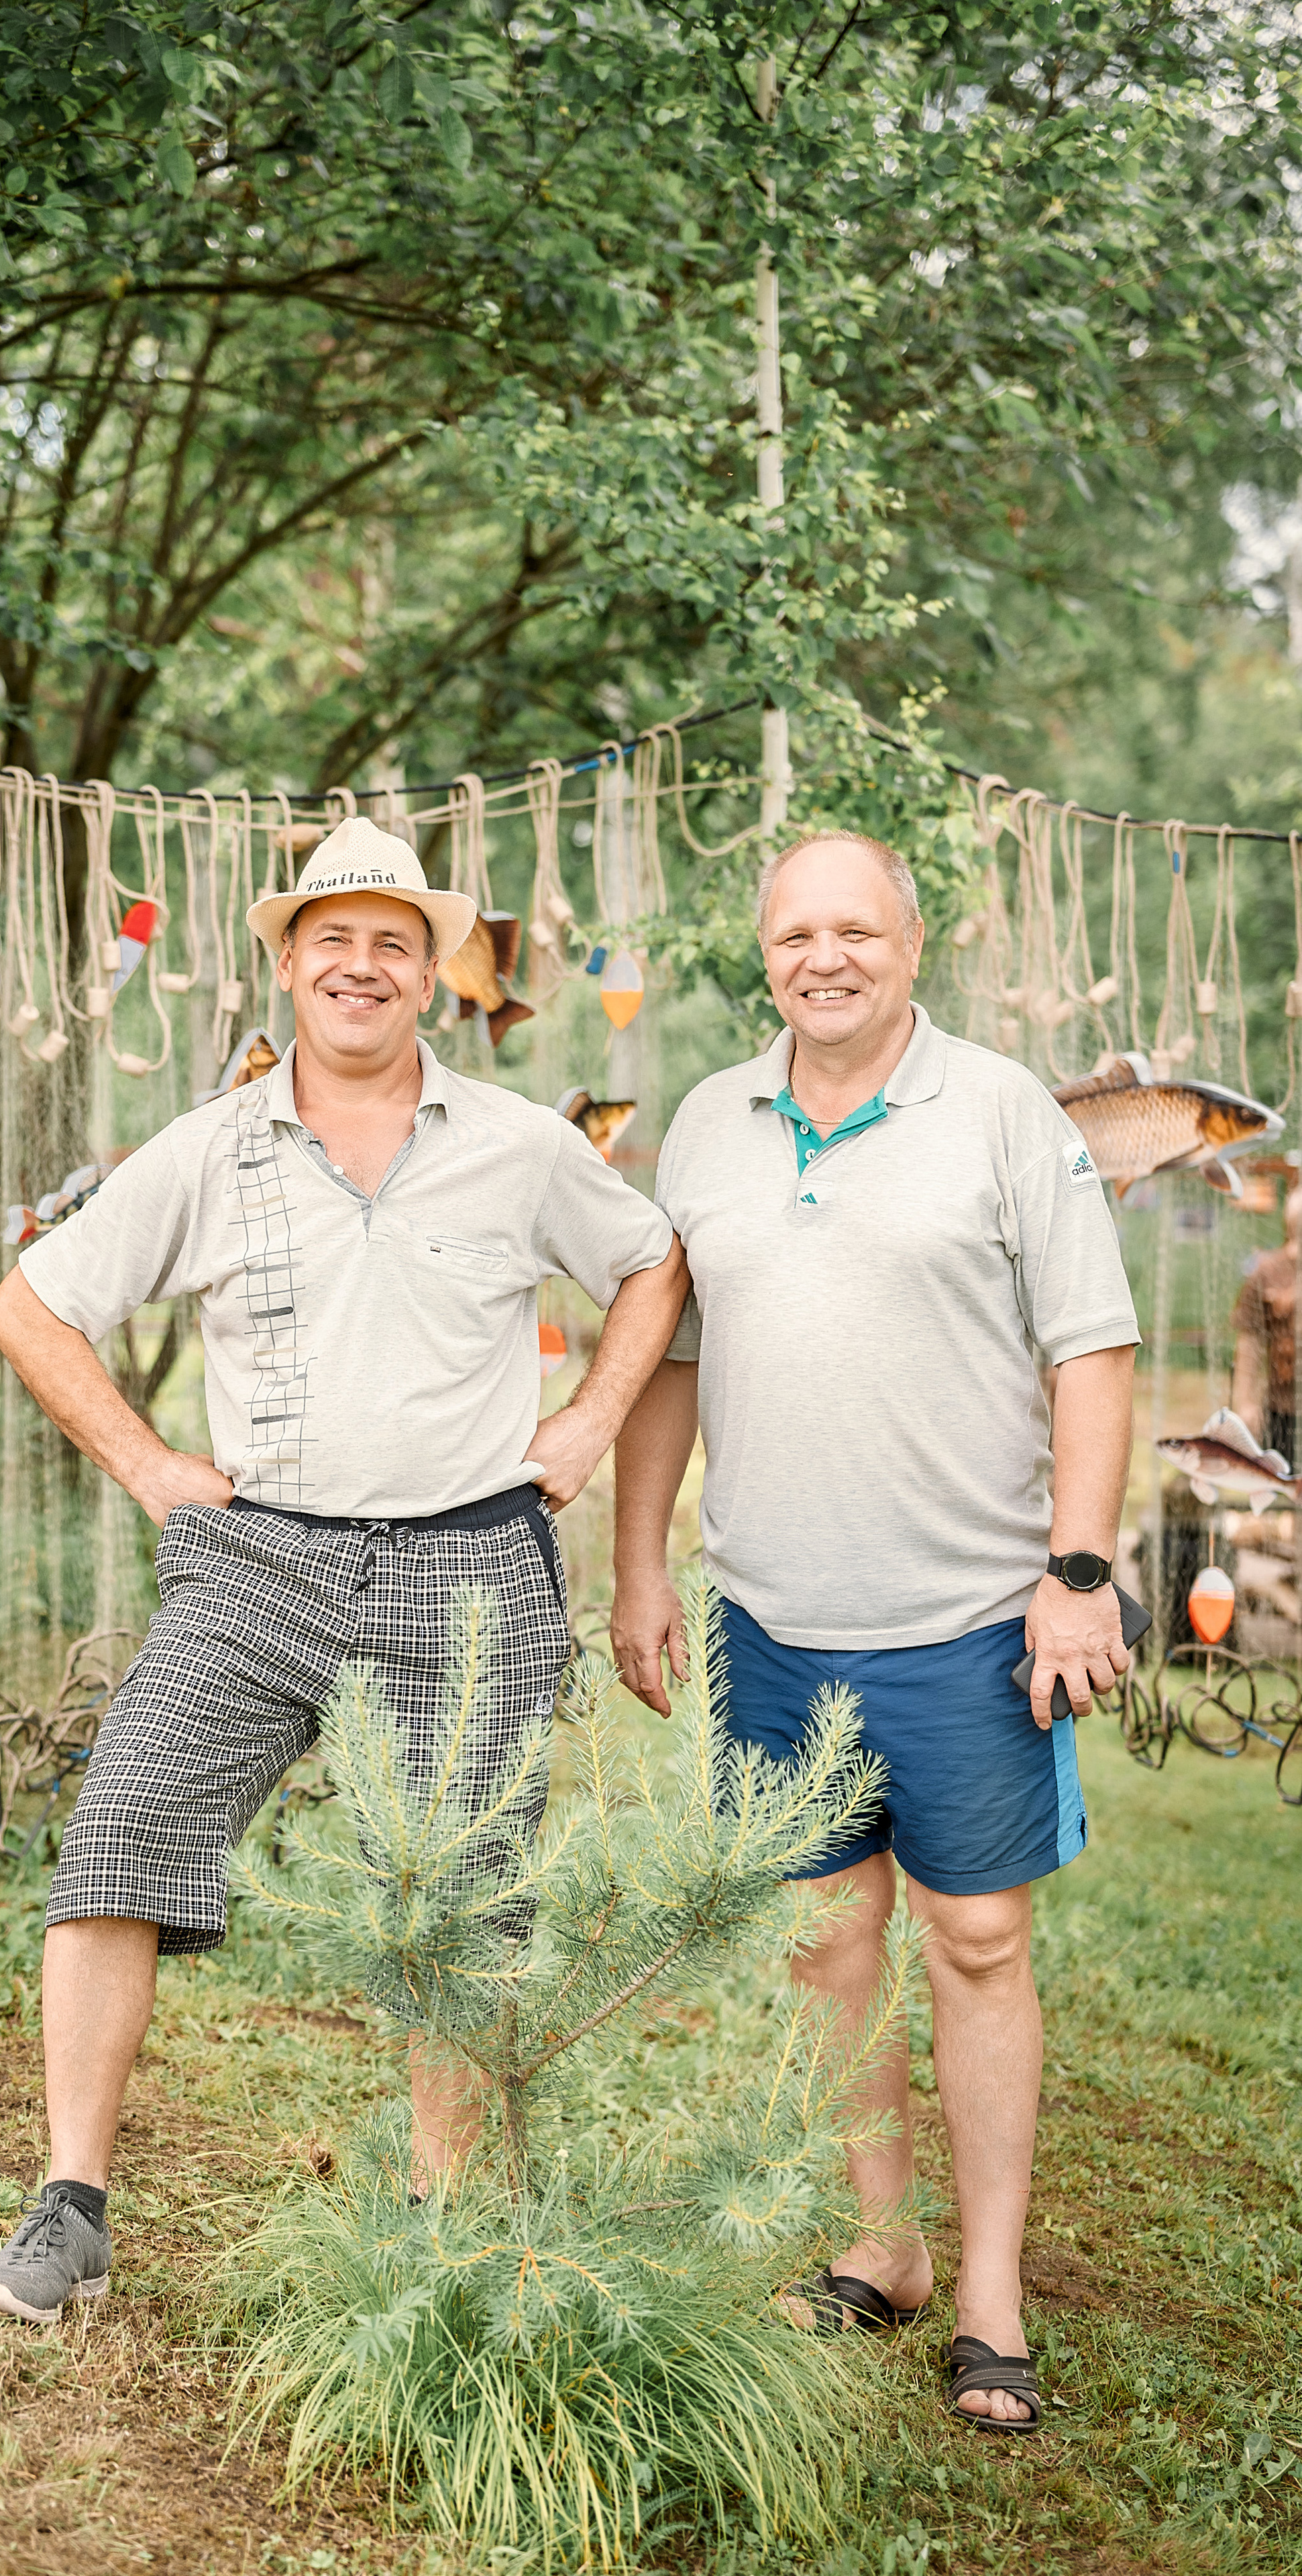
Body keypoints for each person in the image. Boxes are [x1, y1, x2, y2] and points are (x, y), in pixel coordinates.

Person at [0, 814, 688, 2324]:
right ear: (288, 967)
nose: (362, 967)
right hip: (257, 1565)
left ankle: (439, 2232)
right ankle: (69, 2215)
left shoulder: (518, 1144)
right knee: (119, 1835)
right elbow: (30, 1306)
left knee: (461, 1903)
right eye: (333, 941)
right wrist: (150, 1465)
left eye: (393, 945)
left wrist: (590, 1420)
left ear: (431, 975)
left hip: (471, 1564)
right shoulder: (211, 1147)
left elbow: (652, 1259)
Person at [611, 830, 1139, 2434]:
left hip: (965, 1620)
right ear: (761, 953)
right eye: (793, 933)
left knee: (973, 1941)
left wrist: (1076, 1569)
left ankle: (988, 2291)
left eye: (853, 929)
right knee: (822, 1941)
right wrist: (638, 1564)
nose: (821, 957)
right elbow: (670, 1362)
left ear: (912, 945)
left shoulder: (999, 1111)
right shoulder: (706, 1123)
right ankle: (882, 2241)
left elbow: (1091, 1348)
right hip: (770, 1617)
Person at [1232, 1189, 1300, 1468]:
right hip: (1281, 1408)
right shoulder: (1267, 1272)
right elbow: (1249, 1342)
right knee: (1280, 1481)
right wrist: (1245, 1403)